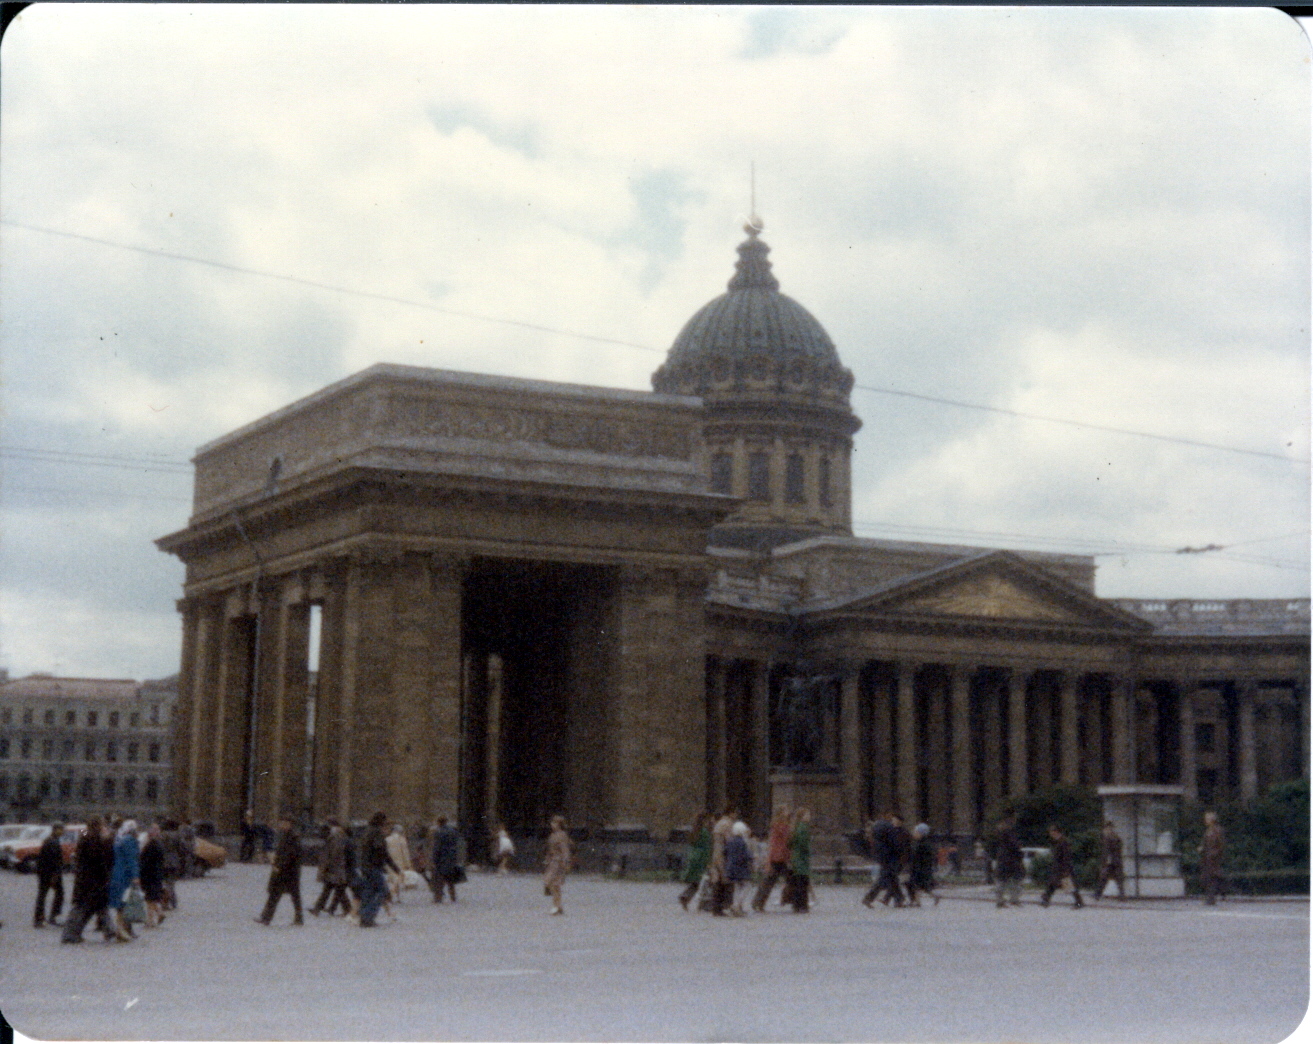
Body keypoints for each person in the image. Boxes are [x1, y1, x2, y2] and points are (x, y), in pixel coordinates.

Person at [61, 817, 116, 944]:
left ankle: (110, 931)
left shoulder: (86, 834)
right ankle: (70, 935)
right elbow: (103, 857)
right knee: (83, 908)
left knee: (99, 906)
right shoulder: (95, 838)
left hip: (86, 879)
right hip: (94, 880)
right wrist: (108, 839)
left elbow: (83, 834)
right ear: (99, 825)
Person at [255, 815, 304, 926]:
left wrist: (280, 865)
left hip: (288, 871)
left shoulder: (293, 837)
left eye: (284, 823)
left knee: (293, 895)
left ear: (289, 824)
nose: (281, 825)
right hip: (285, 870)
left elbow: (291, 854)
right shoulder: (285, 835)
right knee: (276, 894)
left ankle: (298, 918)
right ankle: (266, 917)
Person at [358, 811, 399, 927]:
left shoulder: (367, 831)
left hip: (365, 866)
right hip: (374, 867)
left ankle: (363, 916)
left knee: (368, 891)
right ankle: (369, 916)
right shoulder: (377, 833)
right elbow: (382, 852)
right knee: (381, 891)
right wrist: (393, 867)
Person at [751, 808, 792, 912]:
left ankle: (758, 902)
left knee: (770, 881)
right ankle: (759, 902)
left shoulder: (780, 825)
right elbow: (783, 840)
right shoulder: (779, 826)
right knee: (772, 880)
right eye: (785, 811)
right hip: (779, 856)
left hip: (780, 856)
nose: (788, 812)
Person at [107, 818, 141, 942]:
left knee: (121, 905)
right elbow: (131, 860)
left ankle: (120, 930)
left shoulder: (119, 840)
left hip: (116, 873)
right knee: (124, 903)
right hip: (124, 875)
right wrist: (135, 876)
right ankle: (120, 930)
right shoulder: (130, 841)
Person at [309, 819, 351, 916]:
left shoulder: (336, 836)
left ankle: (319, 908)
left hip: (335, 867)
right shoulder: (337, 835)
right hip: (336, 867)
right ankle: (318, 908)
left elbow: (334, 852)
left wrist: (328, 863)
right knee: (331, 889)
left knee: (335, 889)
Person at [1039, 824, 1084, 908]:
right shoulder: (1058, 841)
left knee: (1068, 885)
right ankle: (1045, 900)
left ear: (1056, 832)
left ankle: (1079, 903)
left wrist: (1066, 869)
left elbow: (1066, 856)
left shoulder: (1063, 842)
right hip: (1059, 867)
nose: (1051, 834)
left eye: (1052, 832)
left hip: (1062, 868)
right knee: (1052, 884)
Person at [33, 822, 66, 928]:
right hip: (50, 873)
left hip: (45, 873)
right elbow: (54, 860)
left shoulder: (50, 840)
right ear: (55, 830)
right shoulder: (52, 842)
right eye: (61, 829)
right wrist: (55, 875)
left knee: (43, 895)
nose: (63, 832)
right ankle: (51, 917)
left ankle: (40, 918)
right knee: (57, 894)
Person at [678, 813, 712, 910]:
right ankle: (704, 902)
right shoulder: (704, 832)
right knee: (704, 881)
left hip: (693, 856)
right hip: (701, 858)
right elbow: (707, 847)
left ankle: (686, 896)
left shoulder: (694, 830)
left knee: (697, 881)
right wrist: (709, 861)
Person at [543, 815, 573, 916]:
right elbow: (549, 849)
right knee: (553, 884)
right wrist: (547, 859)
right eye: (552, 822)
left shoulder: (562, 835)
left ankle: (556, 906)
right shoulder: (552, 835)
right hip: (552, 861)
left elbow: (565, 849)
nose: (553, 825)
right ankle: (558, 906)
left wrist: (566, 862)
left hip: (559, 862)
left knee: (553, 883)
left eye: (555, 823)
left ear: (560, 824)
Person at [138, 824, 168, 927]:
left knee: (149, 898)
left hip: (149, 875)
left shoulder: (150, 846)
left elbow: (144, 862)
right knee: (152, 898)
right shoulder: (160, 844)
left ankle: (152, 919)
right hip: (157, 874)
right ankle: (156, 915)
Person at [992, 814, 1024, 909]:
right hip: (1011, 860)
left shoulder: (1000, 834)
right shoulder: (1008, 833)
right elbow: (1015, 846)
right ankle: (1012, 900)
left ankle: (1001, 900)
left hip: (1004, 860)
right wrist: (1019, 852)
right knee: (1014, 880)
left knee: (1002, 881)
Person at [707, 808, 735, 916]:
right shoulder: (727, 824)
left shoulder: (719, 823)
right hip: (724, 855)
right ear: (731, 813)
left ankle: (716, 907)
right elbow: (729, 840)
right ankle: (725, 906)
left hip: (716, 854)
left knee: (717, 881)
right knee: (725, 881)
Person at [724, 820, 754, 916]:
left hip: (731, 867)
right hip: (741, 867)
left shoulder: (730, 841)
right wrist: (752, 858)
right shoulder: (742, 842)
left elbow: (725, 852)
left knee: (736, 887)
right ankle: (737, 905)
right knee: (747, 885)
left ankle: (735, 905)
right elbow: (746, 855)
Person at [906, 823, 940, 907]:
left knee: (915, 885)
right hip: (921, 868)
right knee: (920, 886)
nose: (914, 834)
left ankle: (917, 901)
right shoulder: (921, 843)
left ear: (921, 833)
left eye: (916, 832)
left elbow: (917, 857)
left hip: (919, 869)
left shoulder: (921, 844)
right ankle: (931, 897)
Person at [431, 816, 462, 903]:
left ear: (438, 822)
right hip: (451, 858)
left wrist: (434, 859)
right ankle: (453, 896)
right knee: (450, 879)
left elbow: (437, 848)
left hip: (441, 859)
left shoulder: (438, 832)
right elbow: (457, 844)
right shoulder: (453, 831)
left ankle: (438, 898)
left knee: (439, 880)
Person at [1094, 820, 1126, 900]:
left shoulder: (1109, 838)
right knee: (1118, 879)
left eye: (1106, 829)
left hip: (1110, 861)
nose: (1105, 831)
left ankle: (1097, 894)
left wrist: (1104, 861)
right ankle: (1121, 895)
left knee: (1104, 878)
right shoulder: (1116, 837)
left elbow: (1106, 851)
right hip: (1116, 861)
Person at [1201, 811, 1226, 905]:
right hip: (1207, 857)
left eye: (1207, 819)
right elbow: (1206, 843)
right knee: (1208, 877)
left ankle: (1212, 897)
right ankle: (1211, 897)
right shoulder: (1208, 831)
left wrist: (1215, 853)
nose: (1205, 820)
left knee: (1213, 877)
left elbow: (1221, 844)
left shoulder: (1218, 830)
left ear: (1212, 820)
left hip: (1214, 858)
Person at [385, 824, 413, 903]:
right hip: (400, 863)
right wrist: (408, 864)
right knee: (397, 880)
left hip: (389, 863)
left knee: (392, 880)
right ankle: (395, 896)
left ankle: (392, 896)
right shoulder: (402, 840)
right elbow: (405, 853)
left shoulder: (387, 839)